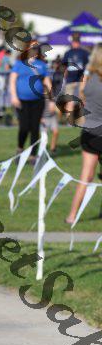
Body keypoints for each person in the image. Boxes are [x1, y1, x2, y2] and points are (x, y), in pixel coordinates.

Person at [66, 44, 102, 224]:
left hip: (89, 132)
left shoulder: (87, 79)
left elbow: (77, 102)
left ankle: (72, 216)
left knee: (85, 176)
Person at [9, 40, 53, 164]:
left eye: (36, 48)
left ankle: (33, 155)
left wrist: (51, 100)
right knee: (24, 127)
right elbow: (12, 81)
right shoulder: (19, 64)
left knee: (34, 128)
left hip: (37, 101)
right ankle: (20, 149)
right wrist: (14, 97)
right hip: (22, 101)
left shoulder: (42, 65)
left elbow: (47, 82)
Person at [62, 33, 89, 115]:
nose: (75, 43)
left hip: (81, 81)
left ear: (79, 42)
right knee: (69, 101)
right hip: (70, 80)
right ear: (72, 42)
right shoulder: (68, 53)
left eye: (77, 41)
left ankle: (82, 118)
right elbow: (64, 67)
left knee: (82, 100)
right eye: (74, 41)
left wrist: (86, 78)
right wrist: (64, 78)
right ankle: (70, 119)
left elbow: (88, 66)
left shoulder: (84, 53)